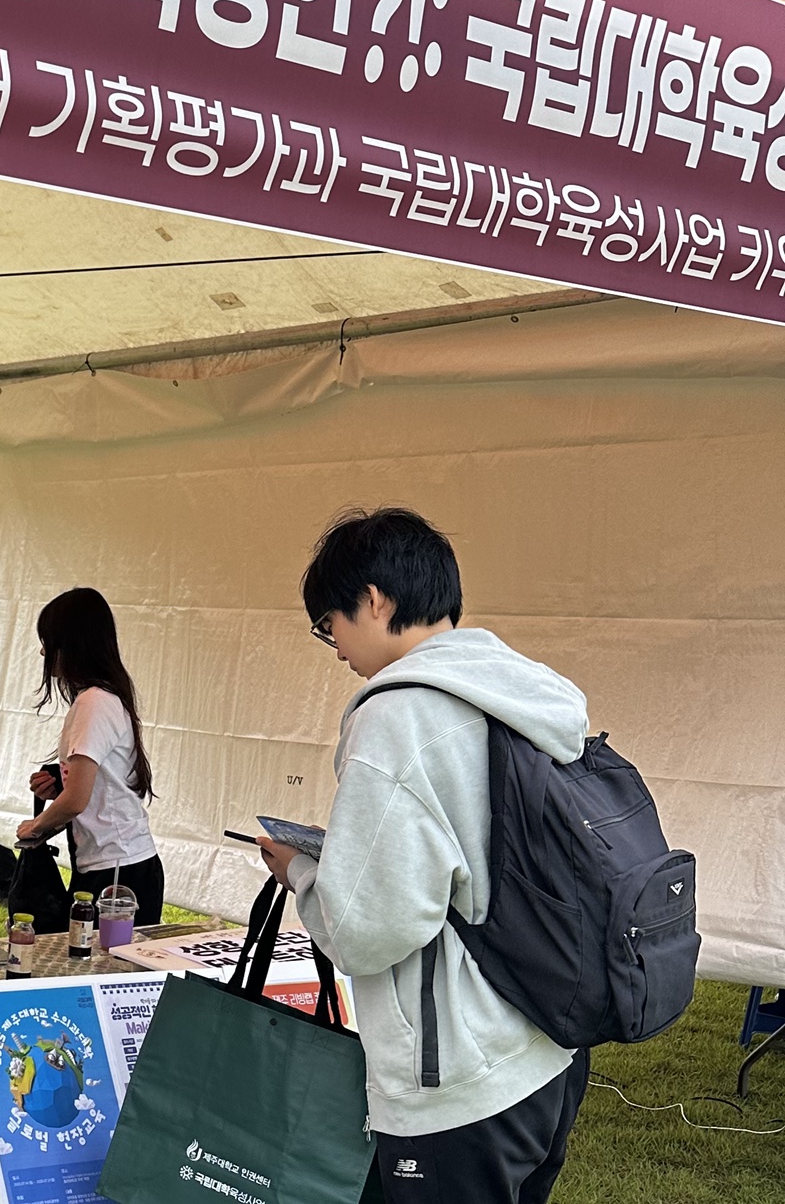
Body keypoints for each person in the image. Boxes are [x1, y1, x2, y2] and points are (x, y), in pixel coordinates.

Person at [260, 507, 591, 1204]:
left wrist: (301, 871)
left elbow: (366, 929)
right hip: (545, 1046)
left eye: (329, 624)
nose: (335, 647)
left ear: (374, 600)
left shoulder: (397, 716)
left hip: (461, 1081)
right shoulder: (523, 690)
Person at [16, 587, 164, 924]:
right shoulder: (99, 699)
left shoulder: (94, 703)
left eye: (48, 642)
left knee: (100, 956)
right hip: (114, 864)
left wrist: (35, 827)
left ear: (72, 645)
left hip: (118, 869)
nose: (43, 651)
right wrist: (59, 784)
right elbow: (91, 785)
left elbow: (76, 800)